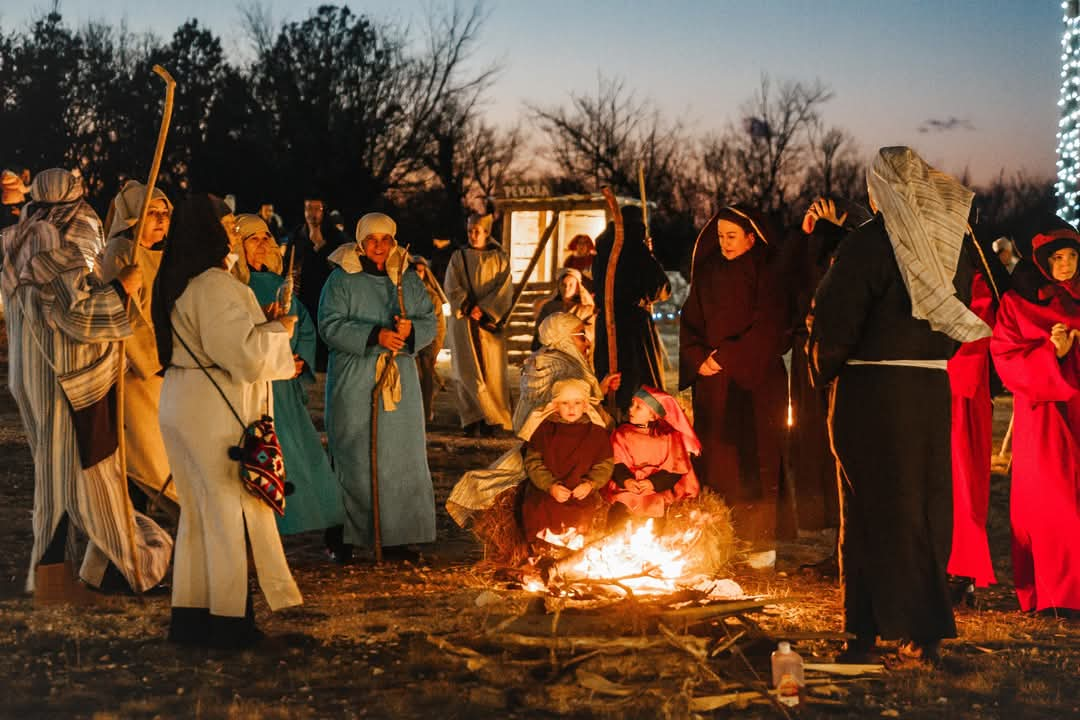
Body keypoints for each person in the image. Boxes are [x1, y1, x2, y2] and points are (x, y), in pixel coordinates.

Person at [809, 147, 988, 667]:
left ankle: (866, 631)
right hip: (929, 395)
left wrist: (822, 366)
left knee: (869, 510)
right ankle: (921, 630)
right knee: (924, 508)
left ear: (882, 191)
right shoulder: (947, 244)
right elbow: (955, 325)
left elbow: (837, 321)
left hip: (873, 395)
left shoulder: (869, 243)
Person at [3, 168, 173, 603]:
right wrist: (120, 289)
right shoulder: (53, 242)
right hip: (67, 379)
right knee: (87, 478)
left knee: (57, 479)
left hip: (36, 377)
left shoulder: (18, 240)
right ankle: (121, 565)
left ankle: (58, 578)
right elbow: (73, 314)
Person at [154, 195, 302, 648]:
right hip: (213, 410)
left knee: (198, 516)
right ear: (210, 232)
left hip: (184, 399)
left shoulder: (179, 283)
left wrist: (262, 324)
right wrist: (279, 332)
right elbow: (242, 355)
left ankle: (192, 616)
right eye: (228, 226)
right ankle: (230, 622)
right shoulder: (214, 285)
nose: (235, 233)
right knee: (223, 514)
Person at [320, 212, 438, 562]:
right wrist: (375, 335)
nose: (379, 247)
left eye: (386, 239)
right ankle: (345, 537)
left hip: (398, 380)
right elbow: (330, 325)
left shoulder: (406, 279)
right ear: (360, 243)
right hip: (356, 378)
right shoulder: (341, 280)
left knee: (399, 456)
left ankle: (397, 537)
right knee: (353, 453)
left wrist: (408, 331)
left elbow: (428, 319)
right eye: (372, 239)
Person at [680, 205, 789, 569]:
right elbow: (690, 319)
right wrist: (698, 358)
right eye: (721, 235)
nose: (724, 243)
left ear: (751, 236)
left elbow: (770, 326)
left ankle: (759, 545)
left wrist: (728, 355)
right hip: (714, 381)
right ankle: (718, 539)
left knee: (755, 459)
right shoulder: (709, 270)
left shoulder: (769, 272)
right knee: (718, 460)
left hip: (756, 382)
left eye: (732, 236)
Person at [445, 312, 619, 530]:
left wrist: (598, 390)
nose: (587, 342)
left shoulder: (542, 359)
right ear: (564, 336)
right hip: (561, 443)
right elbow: (570, 409)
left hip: (543, 438)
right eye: (581, 335)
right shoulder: (566, 367)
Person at [990, 217, 1080, 615]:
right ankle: (1056, 596)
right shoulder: (1018, 303)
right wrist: (1052, 356)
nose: (1066, 264)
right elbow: (1006, 358)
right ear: (1042, 261)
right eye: (1057, 257)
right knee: (1054, 505)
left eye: (1073, 256)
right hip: (1043, 417)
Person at [236, 214, 342, 538]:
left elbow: (304, 326)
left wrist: (297, 361)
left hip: (283, 385)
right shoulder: (234, 288)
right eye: (253, 239)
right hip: (253, 386)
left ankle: (290, 522)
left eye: (266, 237)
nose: (263, 244)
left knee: (292, 454)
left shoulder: (280, 284)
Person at [99, 180, 178, 511]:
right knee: (143, 454)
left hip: (168, 368)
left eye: (165, 213)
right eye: (151, 212)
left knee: (164, 453)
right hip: (138, 370)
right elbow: (125, 315)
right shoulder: (120, 252)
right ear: (133, 216)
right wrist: (151, 359)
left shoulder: (166, 257)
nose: (160, 219)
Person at [946, 223, 1010, 603]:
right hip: (932, 390)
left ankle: (961, 572)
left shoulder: (979, 285)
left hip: (961, 396)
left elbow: (978, 331)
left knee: (963, 485)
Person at [593, 206, 670, 412]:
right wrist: (649, 257)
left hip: (608, 323)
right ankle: (641, 416)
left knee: (612, 373)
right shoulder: (635, 249)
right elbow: (661, 288)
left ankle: (616, 414)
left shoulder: (602, 249)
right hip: (634, 327)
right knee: (639, 375)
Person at [519, 378, 613, 545]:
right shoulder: (545, 430)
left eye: (577, 403)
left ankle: (575, 550)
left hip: (581, 489)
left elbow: (604, 464)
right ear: (555, 405)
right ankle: (543, 550)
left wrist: (590, 484)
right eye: (565, 403)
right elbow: (533, 463)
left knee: (585, 514)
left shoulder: (595, 432)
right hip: (549, 490)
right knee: (538, 508)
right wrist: (550, 486)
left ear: (585, 406)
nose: (571, 408)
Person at [444, 213, 514, 436]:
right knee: (466, 371)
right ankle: (472, 417)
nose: (473, 235)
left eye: (477, 231)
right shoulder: (458, 257)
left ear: (487, 232)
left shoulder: (499, 258)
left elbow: (504, 289)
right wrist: (466, 306)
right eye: (470, 231)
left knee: (492, 372)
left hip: (487, 324)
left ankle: (492, 418)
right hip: (464, 323)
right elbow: (451, 285)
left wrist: (485, 310)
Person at [603, 386, 700, 525]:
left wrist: (653, 483)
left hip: (655, 489)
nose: (630, 409)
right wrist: (626, 481)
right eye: (632, 404)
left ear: (653, 415)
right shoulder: (622, 433)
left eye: (638, 407)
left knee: (656, 510)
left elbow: (675, 470)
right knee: (620, 512)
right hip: (628, 488)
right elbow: (616, 463)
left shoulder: (669, 437)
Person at [292, 195, 347, 371]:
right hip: (304, 294)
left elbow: (343, 262)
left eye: (317, 209)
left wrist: (322, 246)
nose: (312, 213)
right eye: (308, 208)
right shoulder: (297, 235)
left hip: (328, 292)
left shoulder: (336, 237)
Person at [411, 255, 448, 423]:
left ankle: (425, 413)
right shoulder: (404, 294)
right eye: (414, 271)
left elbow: (439, 326)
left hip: (427, 345)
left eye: (420, 271)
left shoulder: (432, 297)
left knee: (425, 378)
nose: (418, 275)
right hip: (408, 344)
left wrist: (433, 347)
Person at [530, 267, 595, 351]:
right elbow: (539, 332)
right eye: (563, 285)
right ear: (558, 287)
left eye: (571, 285)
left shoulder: (586, 310)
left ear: (577, 288)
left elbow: (589, 334)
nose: (567, 288)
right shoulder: (549, 307)